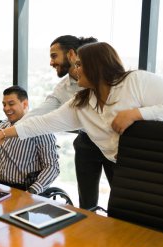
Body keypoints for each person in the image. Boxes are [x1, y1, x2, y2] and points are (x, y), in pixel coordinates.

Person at [0, 42, 163, 201]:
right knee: (122, 222)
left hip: (156, 168)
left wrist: (136, 113)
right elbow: (42, 123)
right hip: (123, 171)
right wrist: (2, 135)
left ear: (96, 66)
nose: (75, 69)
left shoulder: (136, 81)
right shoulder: (82, 103)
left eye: (79, 65)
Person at [22, 35, 105, 209]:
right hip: (87, 142)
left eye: (54, 56)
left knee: (121, 200)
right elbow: (43, 111)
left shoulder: (101, 78)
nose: (51, 62)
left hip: (113, 143)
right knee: (86, 202)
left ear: (71, 54)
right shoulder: (63, 87)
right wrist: (7, 130)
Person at [0, 86, 59, 194]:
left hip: (22, 188)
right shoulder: (5, 124)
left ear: (25, 104)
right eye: (4, 104)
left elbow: (52, 167)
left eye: (11, 104)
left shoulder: (40, 129)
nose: (6, 108)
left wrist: (32, 191)